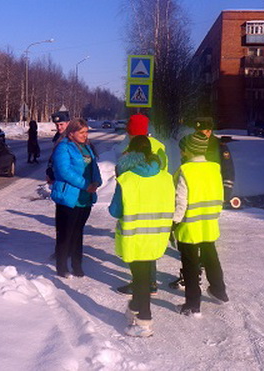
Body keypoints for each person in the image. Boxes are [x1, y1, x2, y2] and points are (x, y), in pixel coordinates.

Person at [109, 135, 175, 337]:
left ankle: (144, 322)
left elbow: (115, 210)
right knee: (143, 276)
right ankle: (135, 307)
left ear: (132, 153)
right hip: (157, 236)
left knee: (140, 279)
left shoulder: (127, 179)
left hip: (135, 237)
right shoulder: (166, 177)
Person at [169, 117, 235, 290]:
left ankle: (196, 287)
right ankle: (193, 279)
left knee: (198, 248)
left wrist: (224, 195)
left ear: (210, 130)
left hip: (206, 203)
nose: (202, 133)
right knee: (200, 248)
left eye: (205, 130)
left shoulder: (217, 146)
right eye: (199, 130)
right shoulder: (193, 143)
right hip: (198, 201)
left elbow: (227, 171)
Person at [173, 132, 229, 317]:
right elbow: (219, 195)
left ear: (188, 150)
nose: (181, 153)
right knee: (211, 256)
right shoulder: (214, 168)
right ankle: (219, 291)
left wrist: (174, 222)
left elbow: (181, 201)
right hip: (209, 222)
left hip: (189, 226)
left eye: (182, 150)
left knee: (190, 264)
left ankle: (192, 304)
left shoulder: (186, 170)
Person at [115, 112, 169, 296]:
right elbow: (163, 173)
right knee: (150, 243)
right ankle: (151, 282)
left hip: (138, 201)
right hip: (158, 200)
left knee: (138, 245)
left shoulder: (134, 150)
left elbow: (127, 176)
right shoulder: (160, 147)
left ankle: (141, 284)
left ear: (132, 133)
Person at [50, 118, 102, 278]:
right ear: (71, 133)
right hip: (69, 197)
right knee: (65, 233)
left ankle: (77, 264)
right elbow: (63, 171)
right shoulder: (63, 147)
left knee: (78, 232)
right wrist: (86, 184)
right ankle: (61, 266)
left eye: (86, 132)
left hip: (85, 197)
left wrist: (97, 181)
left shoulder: (87, 148)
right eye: (82, 132)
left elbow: (94, 167)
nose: (85, 135)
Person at [46, 111, 70, 184]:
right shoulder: (58, 137)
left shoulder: (72, 137)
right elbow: (54, 156)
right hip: (58, 176)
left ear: (68, 123)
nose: (59, 127)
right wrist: (49, 171)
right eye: (57, 125)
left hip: (67, 178)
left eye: (61, 124)